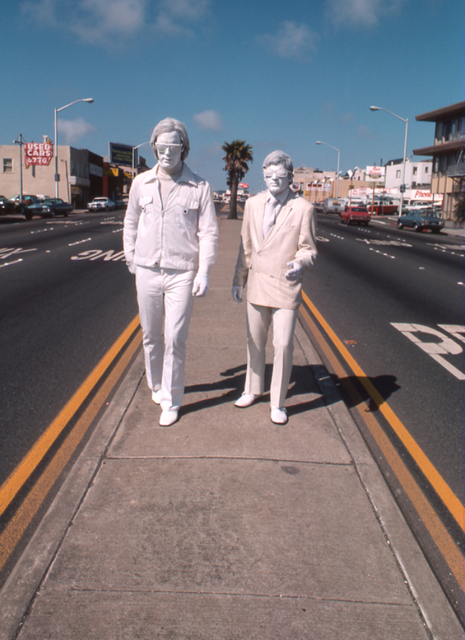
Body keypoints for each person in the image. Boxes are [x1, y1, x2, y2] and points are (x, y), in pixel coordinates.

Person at [124, 118, 218, 426]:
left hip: (181, 273)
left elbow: (209, 233)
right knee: (151, 335)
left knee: (175, 337)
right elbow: (131, 223)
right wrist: (131, 258)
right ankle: (156, 384)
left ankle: (172, 400)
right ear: (153, 148)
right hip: (147, 270)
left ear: (184, 149)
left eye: (173, 147)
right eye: (160, 147)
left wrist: (203, 271)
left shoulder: (199, 186)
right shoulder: (141, 183)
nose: (166, 153)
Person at [231, 150, 317, 425]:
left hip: (285, 285)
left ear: (290, 177)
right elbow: (245, 246)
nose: (273, 181)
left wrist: (300, 264)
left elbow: (309, 249)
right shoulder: (253, 204)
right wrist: (238, 280)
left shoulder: (303, 208)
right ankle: (252, 389)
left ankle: (277, 403)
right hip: (257, 283)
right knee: (254, 342)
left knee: (283, 344)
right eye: (268, 176)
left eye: (279, 176)